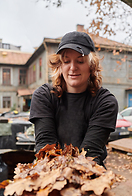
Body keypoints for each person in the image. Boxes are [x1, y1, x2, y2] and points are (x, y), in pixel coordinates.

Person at [29, 31, 118, 168]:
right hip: (49, 173)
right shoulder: (44, 96)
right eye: (66, 61)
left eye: (80, 61)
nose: (73, 67)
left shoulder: (105, 102)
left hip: (88, 173)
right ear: (60, 66)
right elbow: (45, 150)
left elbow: (90, 155)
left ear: (91, 66)